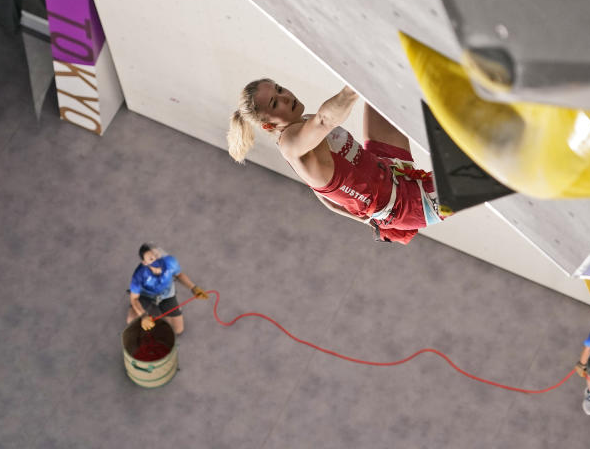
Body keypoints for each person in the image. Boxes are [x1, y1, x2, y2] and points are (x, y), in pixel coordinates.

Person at [227, 80, 448, 244]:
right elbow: (326, 120)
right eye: (276, 103)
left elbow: (328, 200)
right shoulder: (290, 144)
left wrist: (371, 221)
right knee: (477, 172)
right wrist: (356, 80)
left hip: (389, 168)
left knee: (381, 85)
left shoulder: (303, 123)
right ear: (268, 126)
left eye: (279, 89)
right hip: (406, 205)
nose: (286, 97)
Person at [127, 243, 208, 333]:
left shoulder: (170, 262)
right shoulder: (139, 274)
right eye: (151, 259)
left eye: (157, 255)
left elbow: (179, 275)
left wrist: (193, 288)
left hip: (166, 295)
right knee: (132, 321)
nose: (156, 259)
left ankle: (162, 312)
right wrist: (143, 316)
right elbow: (134, 298)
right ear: (145, 262)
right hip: (146, 296)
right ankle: (147, 311)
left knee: (177, 329)